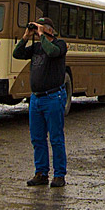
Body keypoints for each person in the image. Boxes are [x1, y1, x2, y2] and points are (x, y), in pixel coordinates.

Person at [13, 16, 69, 187]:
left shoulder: (60, 45)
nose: (39, 30)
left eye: (43, 27)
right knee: (37, 138)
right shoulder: (36, 47)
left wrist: (42, 35)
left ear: (50, 30)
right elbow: (17, 54)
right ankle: (41, 173)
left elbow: (52, 52)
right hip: (36, 98)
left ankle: (59, 175)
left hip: (53, 97)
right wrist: (25, 36)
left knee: (56, 138)